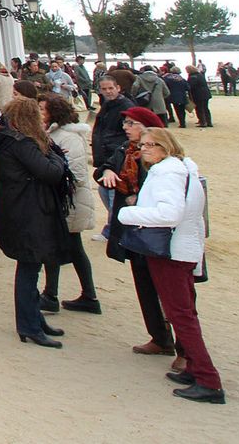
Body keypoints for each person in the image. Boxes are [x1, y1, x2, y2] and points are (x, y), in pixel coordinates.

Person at [119, 127, 223, 403]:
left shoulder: (167, 173)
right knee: (184, 312)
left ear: (167, 146)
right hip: (181, 247)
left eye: (152, 144)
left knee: (181, 315)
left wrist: (127, 213)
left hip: (172, 250)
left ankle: (208, 378)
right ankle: (192, 366)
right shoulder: (182, 168)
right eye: (143, 144)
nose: (145, 149)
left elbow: (169, 213)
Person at [0, 97, 70, 348]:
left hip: (19, 209)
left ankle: (34, 319)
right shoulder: (21, 144)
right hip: (28, 211)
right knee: (28, 269)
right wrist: (58, 157)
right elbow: (50, 172)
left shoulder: (9, 142)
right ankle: (29, 325)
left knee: (30, 267)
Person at [106, 106, 181, 361]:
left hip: (157, 232)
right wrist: (106, 172)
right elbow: (106, 167)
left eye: (131, 123)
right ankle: (159, 337)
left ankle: (183, 347)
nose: (126, 127)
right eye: (125, 123)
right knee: (145, 285)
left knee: (171, 293)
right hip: (134, 230)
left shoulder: (164, 161)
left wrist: (138, 200)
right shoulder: (124, 151)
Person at [39, 92, 100, 314]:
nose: (39, 113)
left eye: (43, 109)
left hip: (69, 201)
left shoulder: (68, 136)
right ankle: (84, 295)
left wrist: (52, 182)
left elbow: (77, 173)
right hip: (65, 199)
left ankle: (52, 294)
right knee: (71, 248)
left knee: (62, 247)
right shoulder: (55, 133)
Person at [92, 70, 133, 227]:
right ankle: (113, 226)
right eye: (104, 89)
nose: (108, 91)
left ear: (118, 88)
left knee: (112, 194)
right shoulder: (107, 106)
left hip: (115, 155)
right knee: (105, 191)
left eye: (111, 88)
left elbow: (128, 134)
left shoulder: (125, 107)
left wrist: (118, 151)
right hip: (106, 155)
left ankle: (113, 229)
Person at [187, 64, 213, 128]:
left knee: (199, 108)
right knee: (205, 108)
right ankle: (208, 121)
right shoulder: (200, 75)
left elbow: (190, 86)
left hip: (198, 95)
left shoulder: (192, 77)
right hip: (206, 93)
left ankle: (203, 122)